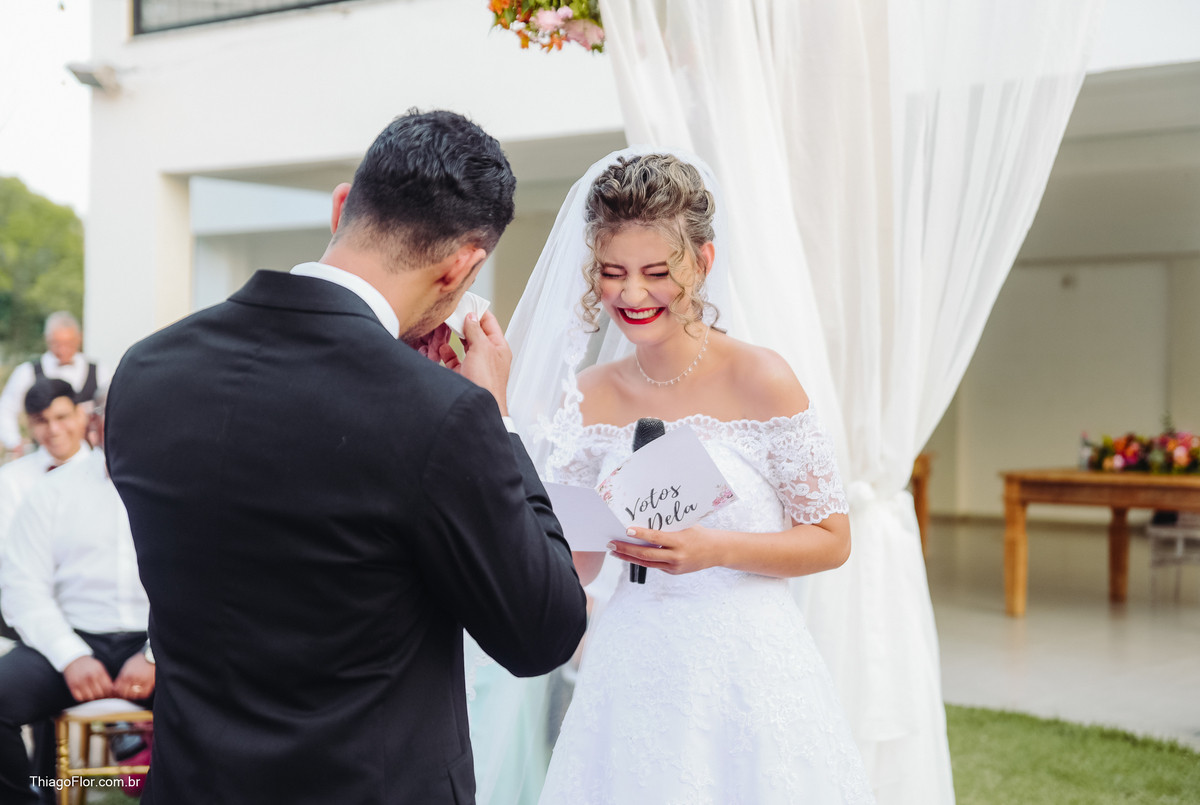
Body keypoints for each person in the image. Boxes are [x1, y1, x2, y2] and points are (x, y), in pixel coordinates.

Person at [103, 110, 587, 805]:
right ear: (463, 264)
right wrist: (497, 419)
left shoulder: (146, 370)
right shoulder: (444, 415)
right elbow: (542, 631)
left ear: (341, 206)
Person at [499, 150, 875, 804]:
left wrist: (714, 549)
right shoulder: (587, 396)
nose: (631, 295)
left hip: (749, 666)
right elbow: (578, 565)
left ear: (702, 262)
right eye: (612, 272)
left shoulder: (761, 378)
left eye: (655, 273)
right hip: (632, 664)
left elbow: (832, 538)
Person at [0, 390, 153, 805]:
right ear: (96, 423)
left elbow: (203, 586)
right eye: (113, 416)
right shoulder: (53, 491)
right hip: (75, 638)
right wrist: (71, 655)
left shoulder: (187, 491)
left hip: (162, 642)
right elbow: (22, 586)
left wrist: (155, 655)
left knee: (229, 696)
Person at [0, 312, 111, 453]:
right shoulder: (27, 371)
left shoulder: (99, 371)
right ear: (47, 340)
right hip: (44, 454)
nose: (62, 349)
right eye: (57, 343)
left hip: (89, 453)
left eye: (69, 343)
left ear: (79, 338)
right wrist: (14, 442)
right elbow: (6, 408)